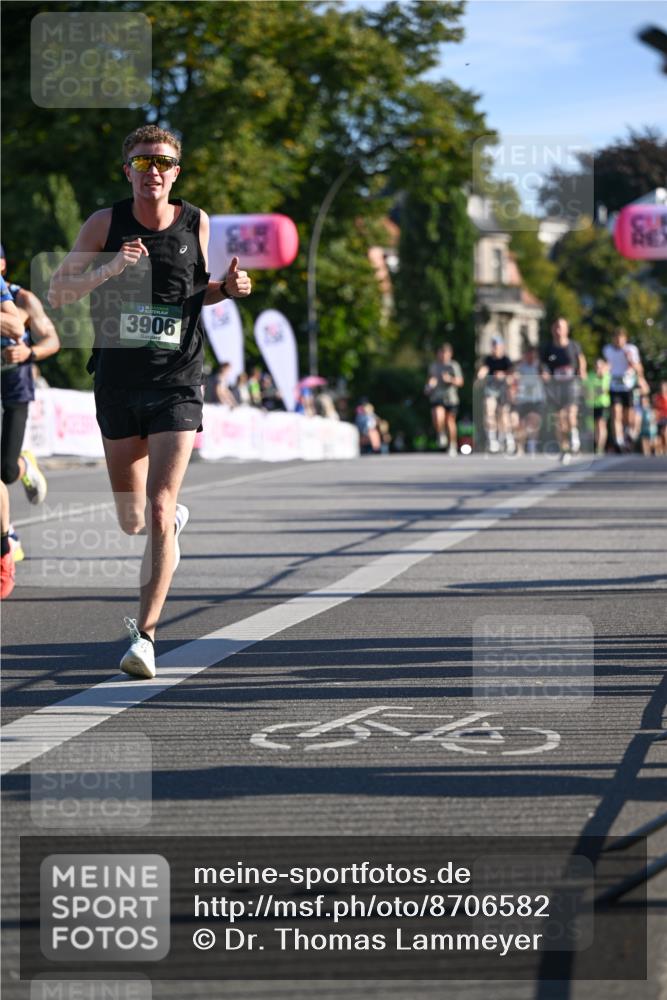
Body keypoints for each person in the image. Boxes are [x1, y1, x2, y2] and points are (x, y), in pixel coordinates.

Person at [48, 124, 251, 678]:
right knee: (134, 520)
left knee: (160, 508)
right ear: (128, 171)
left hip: (177, 380)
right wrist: (112, 267)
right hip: (116, 380)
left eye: (162, 162)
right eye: (141, 163)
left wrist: (225, 291)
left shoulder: (196, 222)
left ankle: (146, 637)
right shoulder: (105, 223)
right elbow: (58, 290)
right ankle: (167, 525)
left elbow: (197, 289)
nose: (152, 172)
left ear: (176, 172)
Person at [1, 246, 61, 561]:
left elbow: (52, 340)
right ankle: (8, 535)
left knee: (6, 470)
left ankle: (25, 464)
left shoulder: (22, 299)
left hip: (14, 384)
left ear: (2, 264)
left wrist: (29, 353)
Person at [540, 317, 586, 463]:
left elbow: (581, 359)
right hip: (555, 387)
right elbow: (542, 364)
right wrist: (544, 372)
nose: (559, 330)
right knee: (559, 420)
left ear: (567, 329)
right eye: (556, 327)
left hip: (571, 384)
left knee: (571, 414)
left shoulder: (573, 346)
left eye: (562, 327)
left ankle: (574, 436)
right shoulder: (548, 348)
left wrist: (582, 370)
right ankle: (564, 448)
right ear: (553, 330)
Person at [602, 328, 644, 453]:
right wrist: (603, 370)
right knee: (616, 412)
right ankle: (618, 440)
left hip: (628, 386)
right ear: (613, 339)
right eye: (616, 338)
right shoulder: (608, 350)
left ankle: (628, 434)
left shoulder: (631, 349)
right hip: (614, 386)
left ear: (625, 339)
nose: (619, 341)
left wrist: (630, 359)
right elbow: (608, 364)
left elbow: (639, 368)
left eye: (621, 339)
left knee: (629, 417)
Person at [476, 336, 515, 454]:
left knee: (503, 415)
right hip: (491, 389)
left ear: (501, 347)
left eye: (496, 345)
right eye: (493, 345)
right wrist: (481, 374)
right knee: (489, 411)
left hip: (503, 389)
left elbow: (512, 375)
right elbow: (484, 369)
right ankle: (492, 440)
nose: (495, 348)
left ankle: (507, 438)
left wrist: (504, 375)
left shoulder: (506, 360)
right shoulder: (488, 359)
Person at [424, 343, 464, 455]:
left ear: (450, 354)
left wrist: (450, 379)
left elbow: (460, 382)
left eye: (445, 353)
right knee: (437, 416)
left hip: (451, 398)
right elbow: (429, 381)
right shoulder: (434, 366)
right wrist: (429, 386)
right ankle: (441, 434)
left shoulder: (453, 366)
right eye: (441, 353)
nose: (443, 356)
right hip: (437, 396)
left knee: (450, 421)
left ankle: (452, 444)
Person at [514, 344, 545, 456]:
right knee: (521, 424)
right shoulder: (520, 366)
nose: (531, 356)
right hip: (523, 398)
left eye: (533, 354)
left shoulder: (539, 366)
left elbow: (546, 378)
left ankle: (532, 445)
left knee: (534, 422)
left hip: (537, 398)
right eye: (528, 354)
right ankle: (520, 447)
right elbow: (513, 377)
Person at [585, 358, 611, 455]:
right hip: (591, 404)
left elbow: (604, 390)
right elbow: (585, 389)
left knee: (601, 425)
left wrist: (593, 393)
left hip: (603, 404)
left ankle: (600, 447)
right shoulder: (590, 376)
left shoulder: (606, 376)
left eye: (600, 366)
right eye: (597, 366)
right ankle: (596, 445)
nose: (598, 368)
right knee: (594, 426)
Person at [653, 381, 667, 455]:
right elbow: (655, 408)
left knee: (665, 432)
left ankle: (665, 448)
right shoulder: (657, 397)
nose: (663, 388)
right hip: (660, 417)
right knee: (659, 434)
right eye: (662, 387)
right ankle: (660, 449)